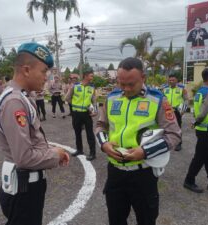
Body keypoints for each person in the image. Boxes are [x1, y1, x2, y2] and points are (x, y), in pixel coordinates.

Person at [96, 57, 181, 225]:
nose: (126, 89)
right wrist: (104, 144)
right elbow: (100, 125)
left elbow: (174, 134)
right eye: (122, 83)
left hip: (143, 174)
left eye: (131, 84)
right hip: (115, 172)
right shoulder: (112, 98)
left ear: (143, 77)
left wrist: (145, 151)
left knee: (146, 219)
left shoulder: (158, 100)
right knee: (115, 219)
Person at [0, 42, 69, 225]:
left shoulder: (21, 97)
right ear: (26, 70)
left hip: (26, 186)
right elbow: (24, 157)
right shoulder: (15, 102)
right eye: (44, 71)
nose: (46, 77)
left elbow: (30, 141)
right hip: (24, 189)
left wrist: (51, 149)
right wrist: (55, 154)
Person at [65, 69, 97, 161]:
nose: (92, 77)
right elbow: (67, 98)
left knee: (90, 134)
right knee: (77, 133)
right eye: (91, 75)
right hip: (76, 114)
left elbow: (94, 101)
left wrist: (94, 110)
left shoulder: (92, 87)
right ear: (85, 76)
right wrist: (75, 105)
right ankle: (79, 150)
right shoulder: (75, 86)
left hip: (87, 114)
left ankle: (92, 153)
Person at [163, 75, 188, 151]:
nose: (171, 81)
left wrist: (183, 110)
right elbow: (162, 99)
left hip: (177, 111)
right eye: (170, 80)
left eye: (173, 80)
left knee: (178, 128)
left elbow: (186, 100)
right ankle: (167, 143)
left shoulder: (182, 89)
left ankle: (178, 144)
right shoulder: (164, 89)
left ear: (176, 81)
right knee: (166, 127)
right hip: (167, 111)